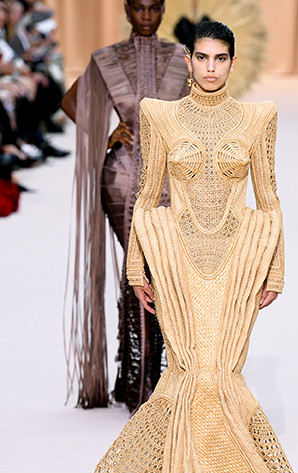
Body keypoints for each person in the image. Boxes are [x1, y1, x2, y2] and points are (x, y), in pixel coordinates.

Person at [36, 21, 298, 473]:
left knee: (212, 376)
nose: (210, 68)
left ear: (232, 62)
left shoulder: (258, 117)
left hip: (236, 265)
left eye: (220, 58)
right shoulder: (160, 115)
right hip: (176, 263)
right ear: (190, 60)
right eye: (202, 57)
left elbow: (269, 197)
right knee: (196, 377)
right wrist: (137, 269)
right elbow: (147, 196)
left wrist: (275, 269)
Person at [61, 0, 189, 412]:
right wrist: (105, 132)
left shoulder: (181, 58)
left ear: (164, 10)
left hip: (172, 181)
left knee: (163, 272)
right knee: (139, 270)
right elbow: (70, 101)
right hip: (120, 179)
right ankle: (141, 383)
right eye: (139, 8)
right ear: (127, 10)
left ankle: (143, 376)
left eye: (154, 8)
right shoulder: (108, 59)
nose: (146, 17)